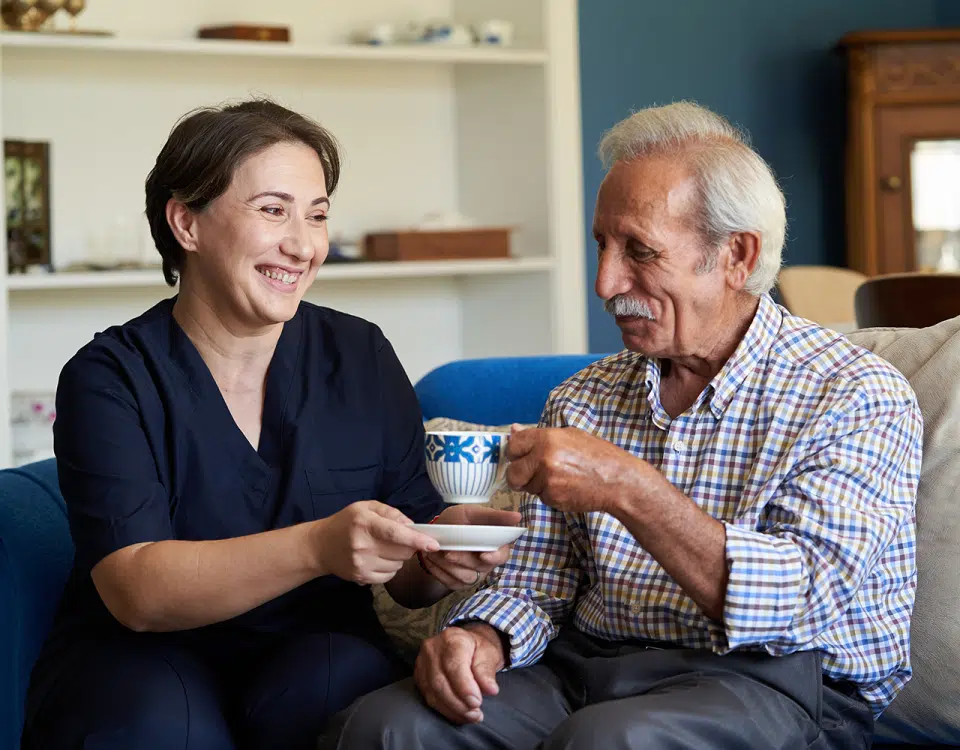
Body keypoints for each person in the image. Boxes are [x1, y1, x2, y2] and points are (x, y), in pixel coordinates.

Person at [318, 101, 923, 750]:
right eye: (602, 246)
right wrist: (481, 637)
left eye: (640, 250)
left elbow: (803, 601)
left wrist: (629, 488)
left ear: (737, 256)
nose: (606, 283)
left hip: (777, 680)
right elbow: (536, 582)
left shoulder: (855, 395)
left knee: (609, 742)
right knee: (385, 729)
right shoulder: (583, 399)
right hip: (587, 666)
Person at [20, 98, 520, 750]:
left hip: (315, 646)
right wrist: (317, 546)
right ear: (186, 223)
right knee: (164, 724)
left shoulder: (360, 356)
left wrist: (441, 550)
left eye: (317, 216)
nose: (303, 245)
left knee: (355, 701)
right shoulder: (109, 377)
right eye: (273, 210)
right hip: (141, 652)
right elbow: (136, 591)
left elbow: (406, 571)